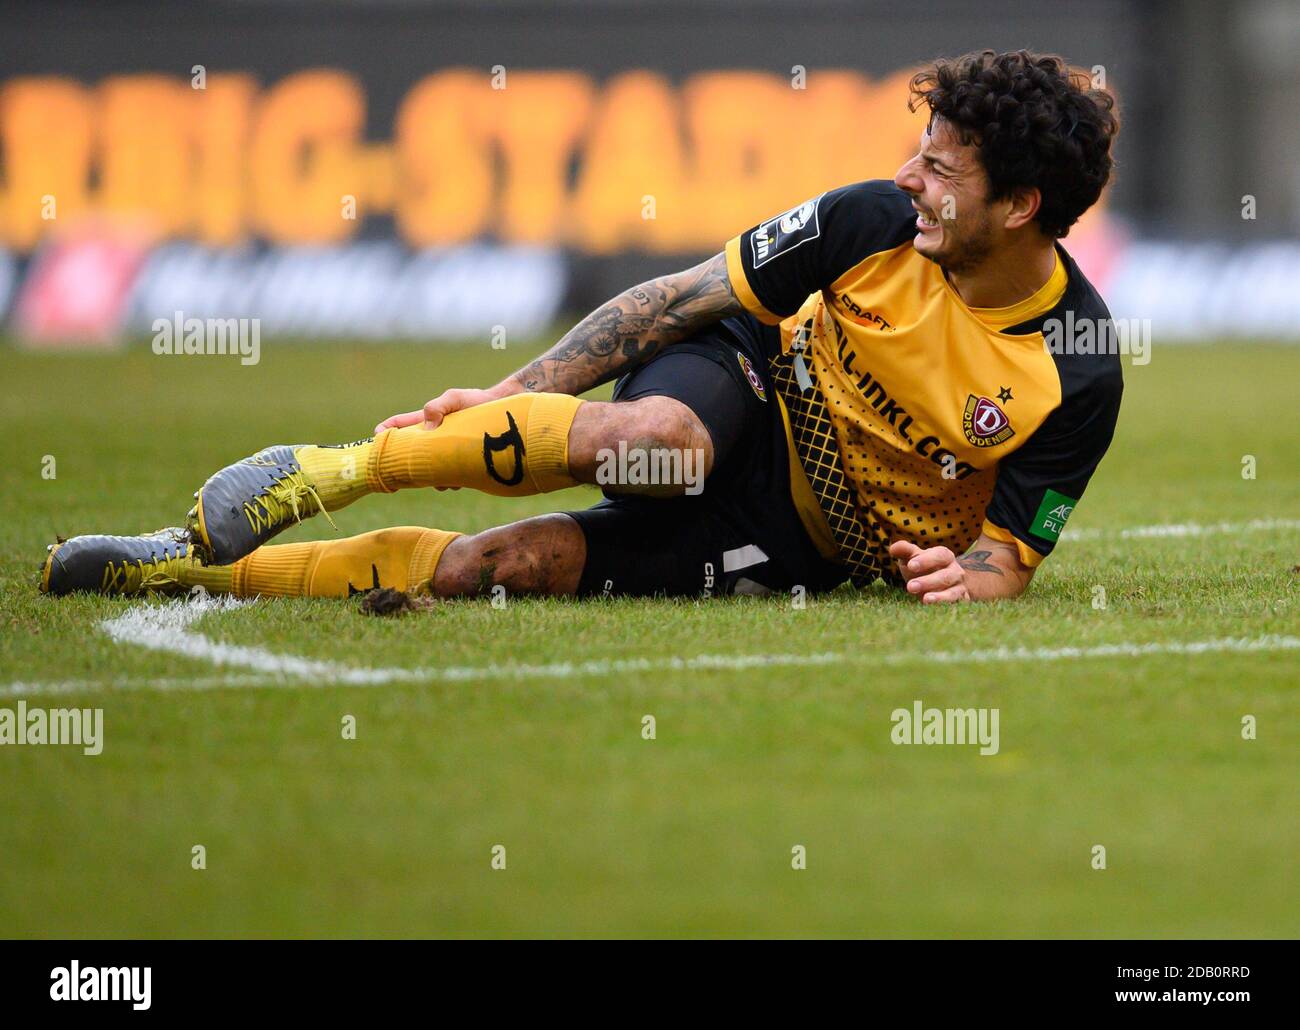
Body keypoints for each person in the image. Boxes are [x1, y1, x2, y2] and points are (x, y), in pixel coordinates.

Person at [42, 49, 1122, 609]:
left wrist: (959, 580)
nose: (907, 177)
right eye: (916, 149)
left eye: (938, 167)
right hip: (744, 390)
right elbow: (676, 302)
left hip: (806, 541)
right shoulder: (869, 221)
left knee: (499, 569)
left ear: (1021, 204)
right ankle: (324, 472)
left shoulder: (1074, 371)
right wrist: (517, 389)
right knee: (655, 443)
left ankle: (185, 579)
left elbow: (1003, 558)